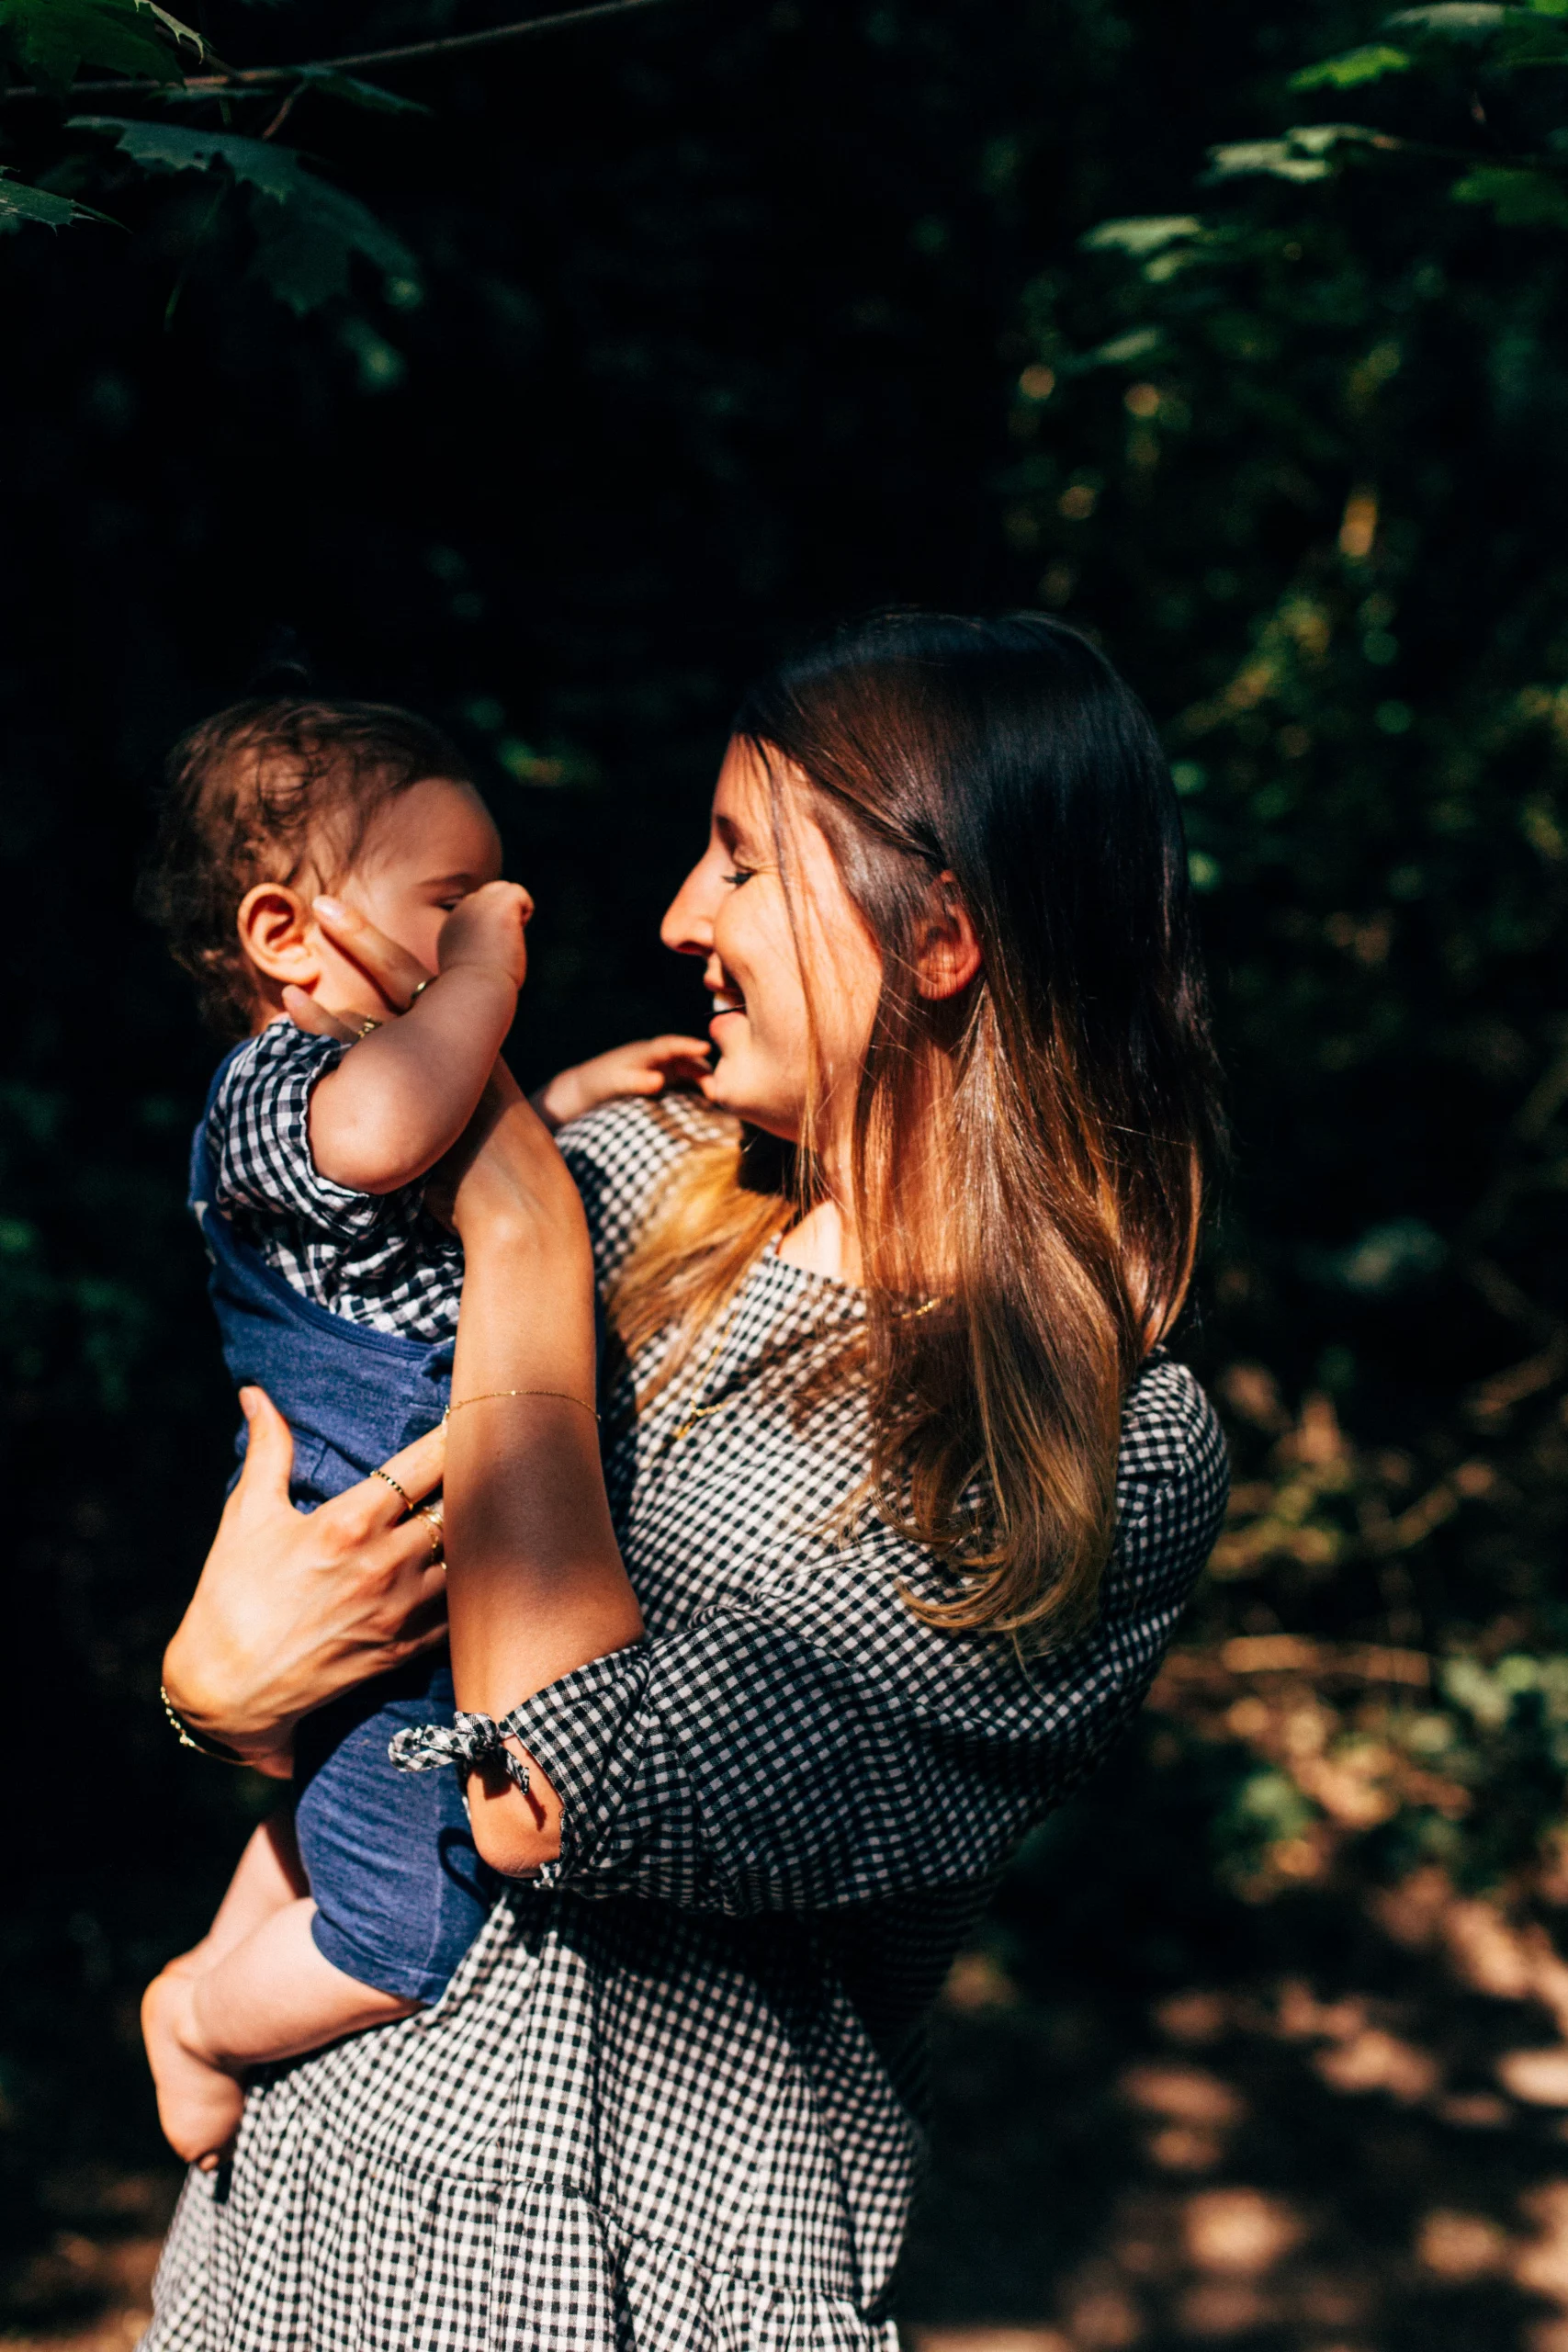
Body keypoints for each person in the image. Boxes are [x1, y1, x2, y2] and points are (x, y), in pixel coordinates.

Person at [144, 614, 1230, 2352]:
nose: (676, 919)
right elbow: (332, 1589)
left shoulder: (1091, 1449)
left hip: (651, 2298)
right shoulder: (629, 1173)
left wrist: (516, 1235)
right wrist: (217, 1693)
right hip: (298, 2229)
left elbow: (547, 1784)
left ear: (937, 936)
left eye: (739, 862)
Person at [137, 699, 710, 2167]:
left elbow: (438, 1154)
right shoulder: (274, 1092)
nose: (490, 924)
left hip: (435, 1562)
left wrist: (562, 1099)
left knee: (350, 1803)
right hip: (373, 1527)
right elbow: (391, 1135)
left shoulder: (367, 1084)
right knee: (399, 1932)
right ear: (285, 934)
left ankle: (218, 1962)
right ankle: (199, 2018)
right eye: (450, 901)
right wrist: (485, 979)